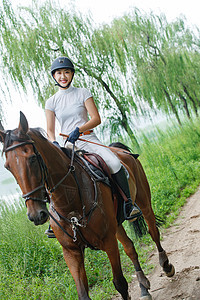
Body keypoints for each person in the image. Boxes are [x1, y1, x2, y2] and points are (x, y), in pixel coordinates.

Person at [44, 57, 141, 236]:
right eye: (59, 73)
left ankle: (129, 205)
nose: (63, 76)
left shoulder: (83, 92)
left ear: (72, 74)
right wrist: (55, 142)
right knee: (55, 174)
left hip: (88, 139)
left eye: (66, 72)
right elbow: (50, 130)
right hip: (67, 144)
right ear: (54, 76)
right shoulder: (51, 102)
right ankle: (54, 220)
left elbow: (96, 119)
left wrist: (79, 130)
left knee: (113, 162)